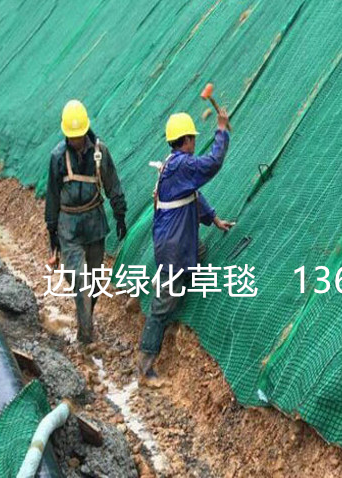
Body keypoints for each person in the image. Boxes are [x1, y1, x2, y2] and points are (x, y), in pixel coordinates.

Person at [138, 108, 233, 379]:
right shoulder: (183, 164)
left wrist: (213, 218)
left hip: (177, 240)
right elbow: (213, 162)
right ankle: (145, 365)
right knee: (162, 306)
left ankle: (172, 284)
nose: (194, 142)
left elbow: (192, 195)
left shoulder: (174, 165)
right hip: (174, 245)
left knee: (198, 252)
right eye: (192, 137)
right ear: (187, 139)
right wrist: (221, 129)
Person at [45, 99, 127, 344]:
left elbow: (112, 183)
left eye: (79, 136)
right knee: (78, 279)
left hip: (94, 223)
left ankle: (86, 320)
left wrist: (119, 213)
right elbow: (52, 194)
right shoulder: (58, 157)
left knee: (93, 280)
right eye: (72, 137)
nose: (76, 141)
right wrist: (52, 233)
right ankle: (86, 338)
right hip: (68, 226)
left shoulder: (100, 152)